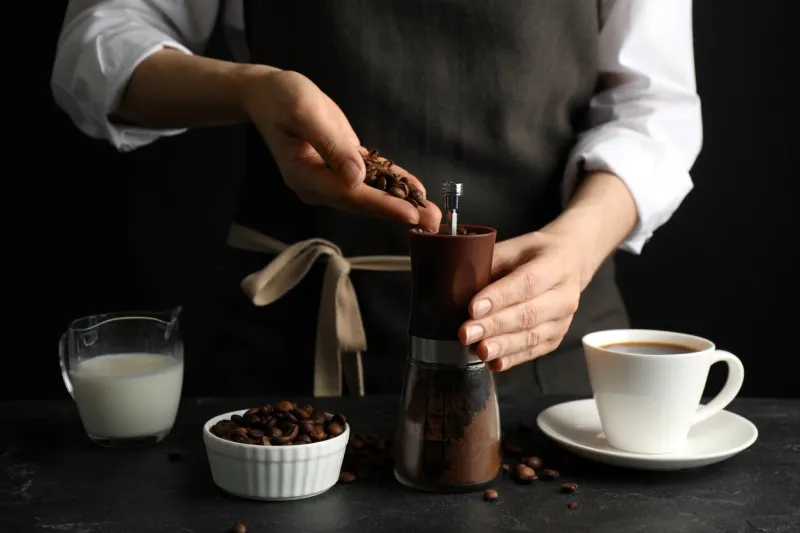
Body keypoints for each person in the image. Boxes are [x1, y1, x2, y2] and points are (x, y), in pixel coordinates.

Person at [51, 0, 702, 399]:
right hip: (290, 346)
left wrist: (578, 246)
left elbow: (655, 107)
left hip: (538, 356)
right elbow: (97, 42)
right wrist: (251, 89)